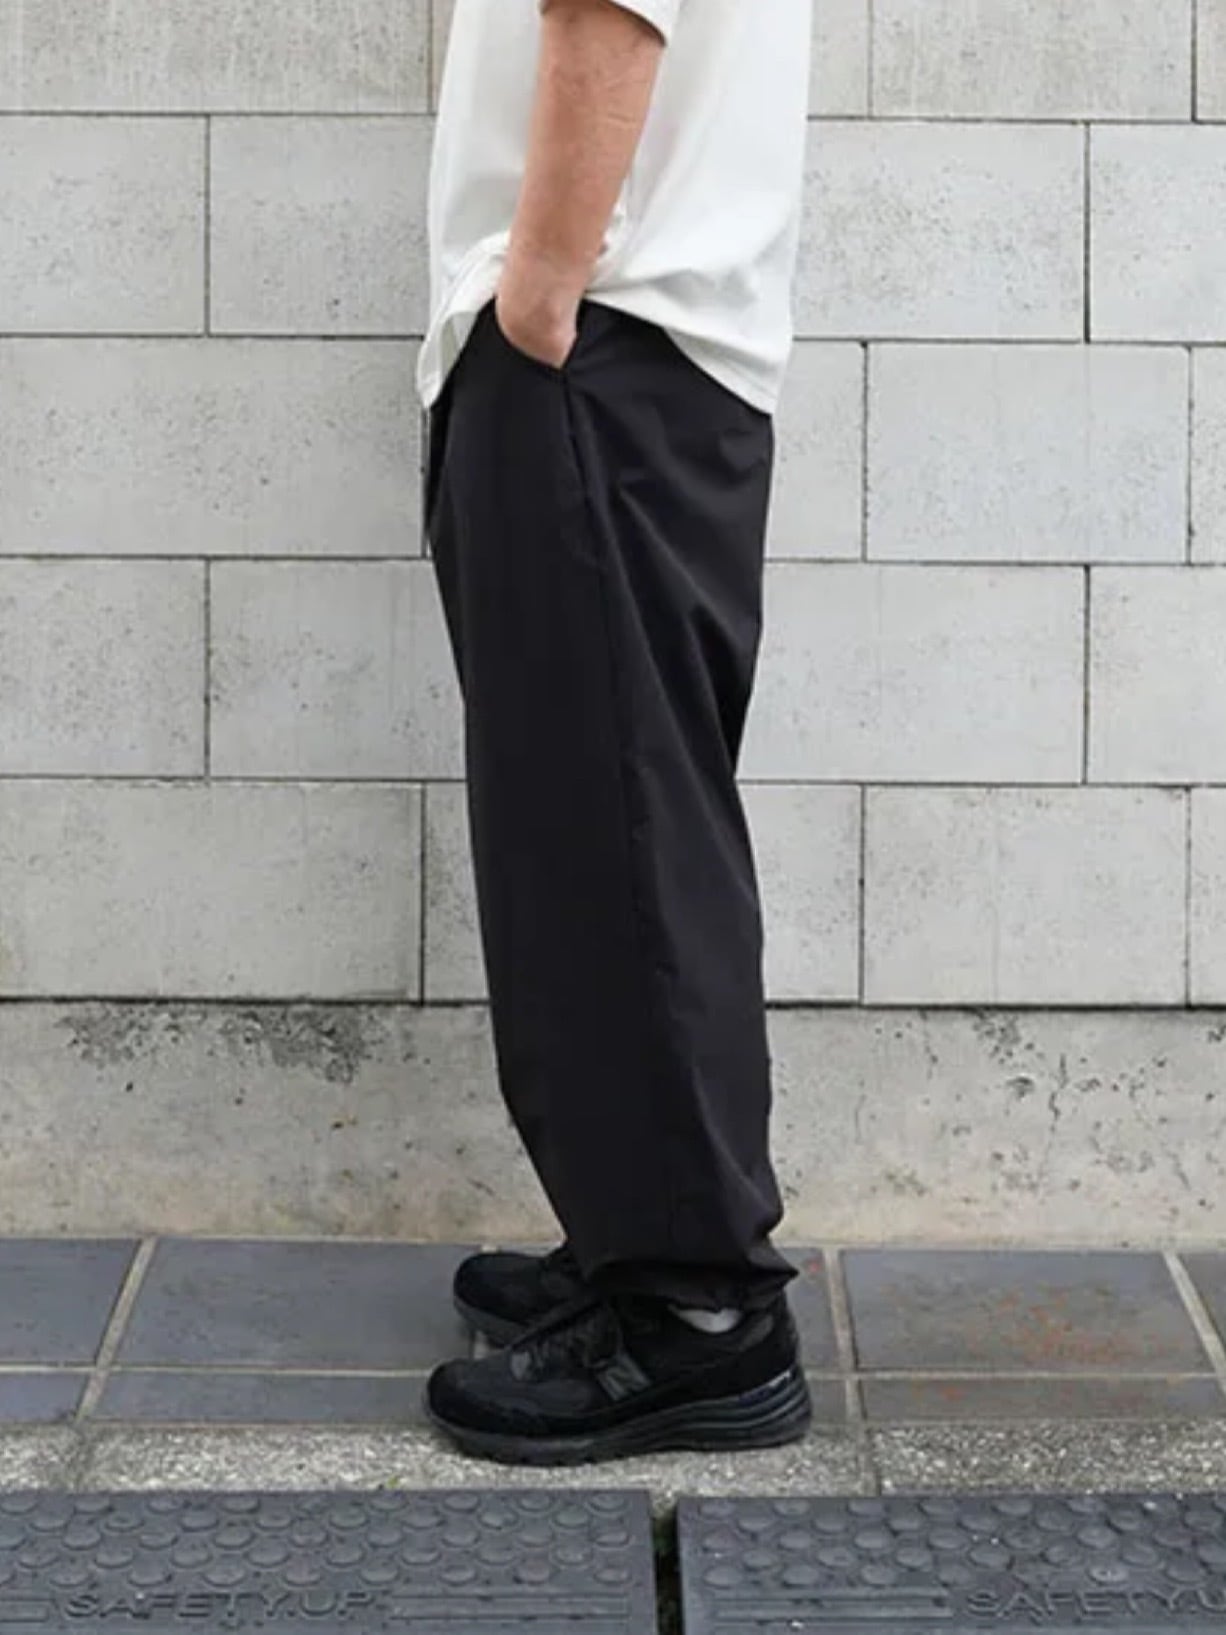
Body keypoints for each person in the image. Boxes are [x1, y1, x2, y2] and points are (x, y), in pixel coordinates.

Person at [418, 0, 813, 1465]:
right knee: (601, 823)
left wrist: (536, 294)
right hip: (627, 353)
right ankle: (636, 1236)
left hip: (600, 348)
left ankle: (695, 1310)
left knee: (618, 840)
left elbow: (609, 18)